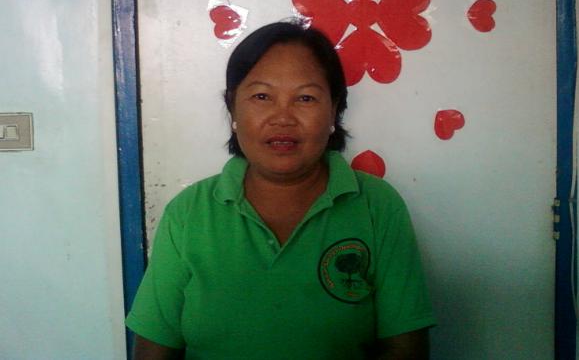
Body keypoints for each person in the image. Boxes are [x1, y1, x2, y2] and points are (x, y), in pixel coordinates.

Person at [126, 21, 436, 359]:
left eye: (305, 98)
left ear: (334, 110)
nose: (283, 118)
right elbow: (153, 349)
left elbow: (406, 348)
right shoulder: (188, 212)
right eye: (262, 96)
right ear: (232, 107)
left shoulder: (377, 205)